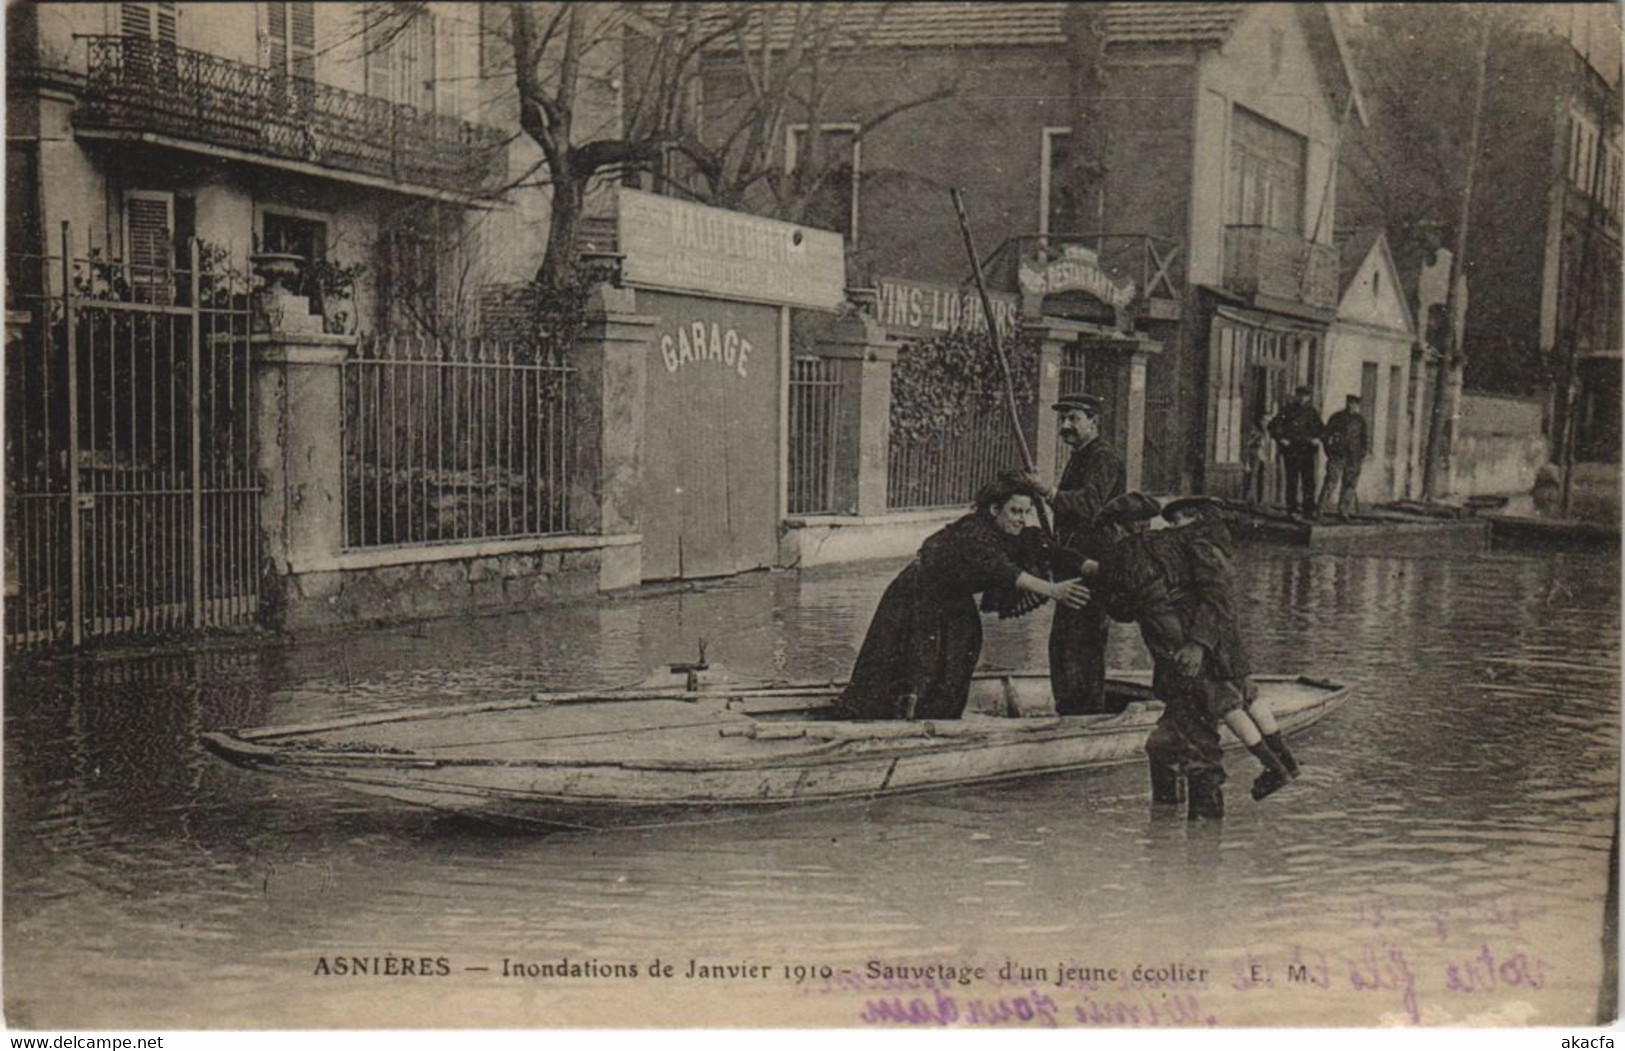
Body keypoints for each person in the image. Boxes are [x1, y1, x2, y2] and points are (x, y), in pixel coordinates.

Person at [834, 475, 1091, 721]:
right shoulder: (973, 531)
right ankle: (895, 719)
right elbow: (1001, 569)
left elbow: (1054, 552)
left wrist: (1092, 567)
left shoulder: (1016, 534)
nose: (1022, 520)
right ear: (994, 509)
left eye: (1026, 512)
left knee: (964, 649)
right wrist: (1053, 590)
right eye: (1015, 511)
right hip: (916, 594)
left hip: (952, 597)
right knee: (917, 660)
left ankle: (940, 719)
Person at [1156, 496, 1299, 802]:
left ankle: (1275, 768)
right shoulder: (1218, 545)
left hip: (1212, 638)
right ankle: (1285, 761)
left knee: (1225, 703)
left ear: (1195, 518)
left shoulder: (1198, 547)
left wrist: (1198, 642)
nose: (1173, 528)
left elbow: (1214, 595)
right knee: (1247, 695)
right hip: (1228, 636)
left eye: (1178, 520)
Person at [1019, 394, 1126, 715]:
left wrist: (1047, 492)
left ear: (1094, 422)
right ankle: (1071, 711)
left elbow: (1089, 505)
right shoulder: (1082, 455)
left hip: (1093, 567)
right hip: (1074, 565)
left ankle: (1086, 715)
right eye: (1063, 419)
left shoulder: (1103, 457)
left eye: (1074, 419)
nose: (1065, 426)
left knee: (1082, 645)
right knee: (1065, 644)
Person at [1268, 386, 1323, 518]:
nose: (1302, 398)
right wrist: (1281, 438)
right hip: (1292, 450)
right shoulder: (1287, 411)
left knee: (1309, 481)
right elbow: (1273, 426)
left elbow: (1322, 429)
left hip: (1307, 451)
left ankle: (1308, 510)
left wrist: (1318, 439)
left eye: (1305, 396)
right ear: (1296, 396)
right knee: (1292, 480)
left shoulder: (1312, 412)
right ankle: (1291, 509)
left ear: (1309, 397)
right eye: (1300, 395)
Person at [1318, 394, 1369, 519]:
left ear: (1358, 405)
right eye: (1350, 403)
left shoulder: (1360, 421)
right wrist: (1329, 451)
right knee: (1330, 481)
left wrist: (1362, 454)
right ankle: (1320, 509)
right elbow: (1325, 434)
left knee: (1350, 484)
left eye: (1355, 404)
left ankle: (1343, 511)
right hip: (1337, 456)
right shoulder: (1337, 417)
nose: (1352, 406)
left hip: (1354, 457)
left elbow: (1365, 439)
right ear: (1346, 403)